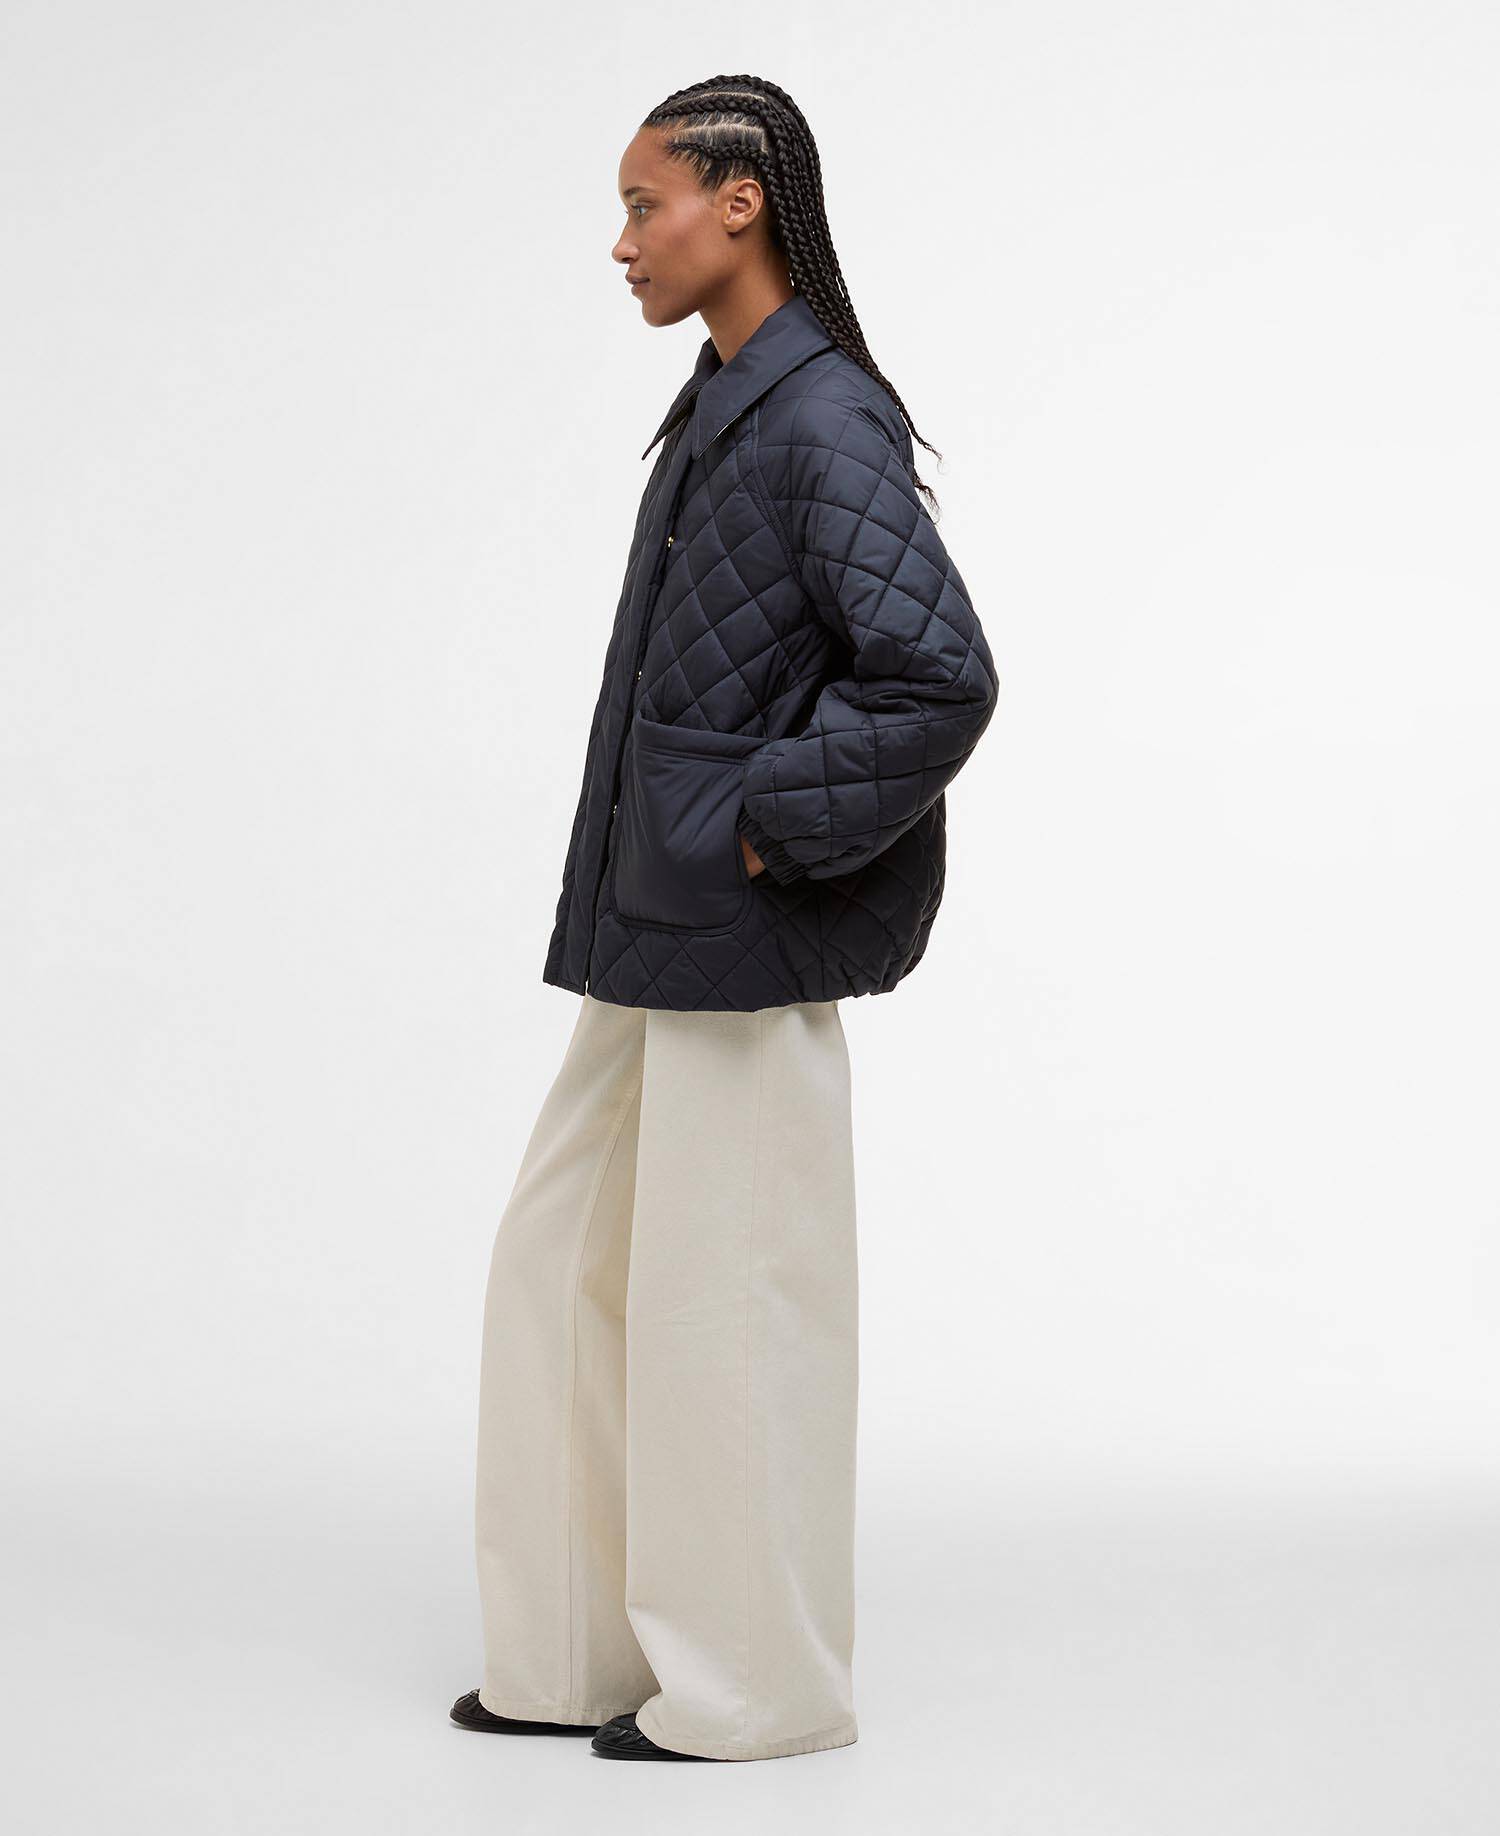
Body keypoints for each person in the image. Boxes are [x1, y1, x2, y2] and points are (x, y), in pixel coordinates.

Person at [451, 74, 999, 1764]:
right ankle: (567, 1654)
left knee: (731, 1302)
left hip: (738, 940)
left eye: (646, 205)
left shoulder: (819, 414)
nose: (624, 243)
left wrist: (764, 826)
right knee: (567, 1264)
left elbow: (939, 675)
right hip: (658, 919)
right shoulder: (728, 402)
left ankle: (752, 1692)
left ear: (739, 202)